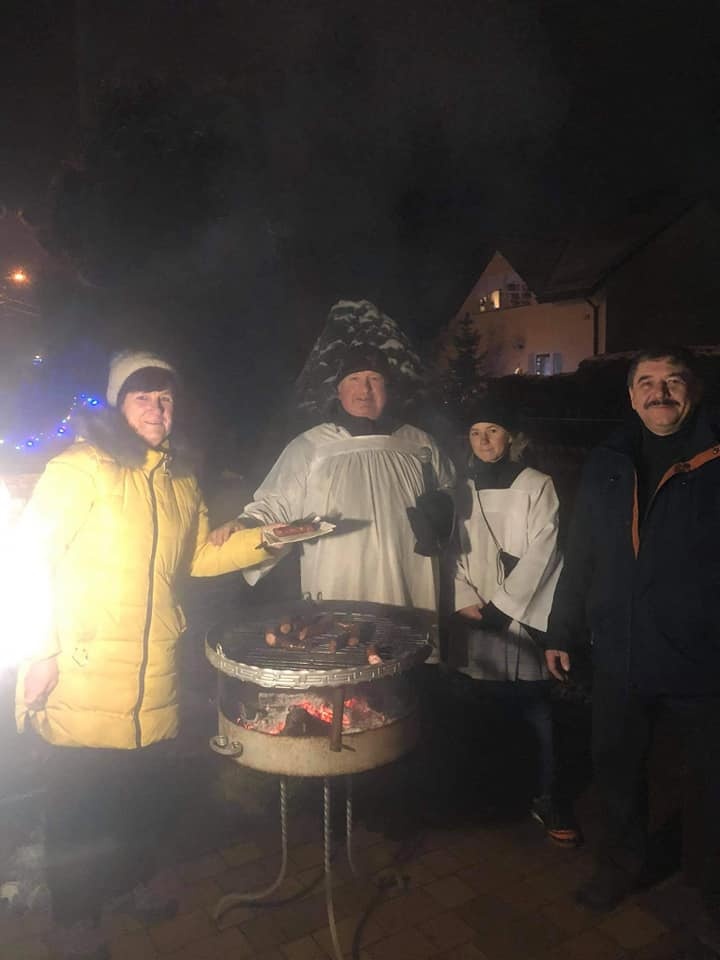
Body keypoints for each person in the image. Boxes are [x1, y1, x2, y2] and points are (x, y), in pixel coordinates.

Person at [10, 350, 285, 960]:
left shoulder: (180, 479)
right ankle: (74, 918)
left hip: (154, 665)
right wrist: (42, 650)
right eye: (143, 397)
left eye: (166, 398)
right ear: (118, 404)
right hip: (81, 666)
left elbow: (194, 560)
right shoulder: (80, 469)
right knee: (79, 804)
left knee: (139, 793)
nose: (159, 409)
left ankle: (133, 880)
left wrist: (267, 540)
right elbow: (28, 560)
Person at [546, 347, 720, 927]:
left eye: (673, 381)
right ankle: (620, 867)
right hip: (619, 649)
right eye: (647, 382)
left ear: (693, 390)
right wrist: (562, 628)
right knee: (617, 772)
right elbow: (583, 552)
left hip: (702, 655)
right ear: (630, 396)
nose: (660, 392)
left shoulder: (714, 456)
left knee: (711, 778)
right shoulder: (608, 461)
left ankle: (709, 881)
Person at [212, 346, 455, 625]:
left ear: (387, 387)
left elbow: (453, 493)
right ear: (338, 390)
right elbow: (275, 504)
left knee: (409, 653)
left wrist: (445, 507)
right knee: (341, 646)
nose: (365, 389)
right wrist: (244, 524)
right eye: (354, 379)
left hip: (410, 586)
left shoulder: (420, 445)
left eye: (374, 379)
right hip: (338, 586)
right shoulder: (311, 446)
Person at [451, 402, 579, 844]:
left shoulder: (537, 485)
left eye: (493, 430)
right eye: (475, 433)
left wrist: (504, 607)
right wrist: (466, 599)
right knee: (484, 709)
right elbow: (450, 551)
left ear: (511, 436)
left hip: (522, 617)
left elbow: (548, 549)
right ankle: (494, 796)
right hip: (476, 617)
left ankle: (547, 796)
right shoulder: (460, 489)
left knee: (536, 713)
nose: (485, 441)